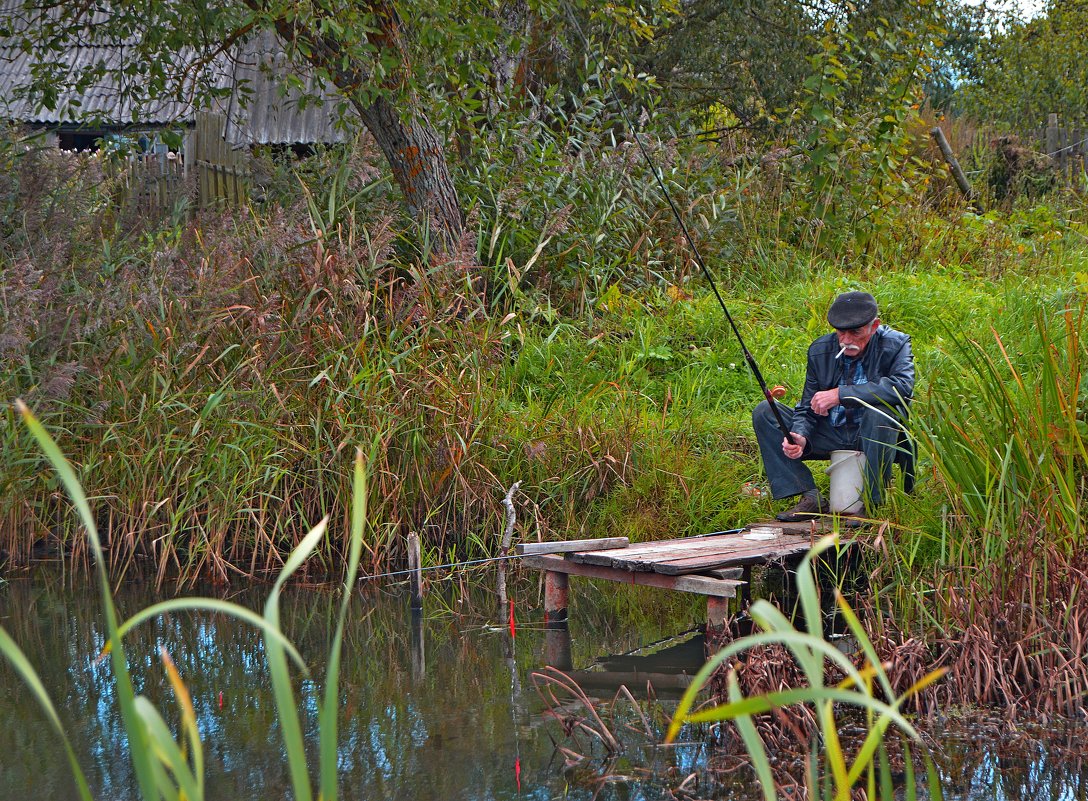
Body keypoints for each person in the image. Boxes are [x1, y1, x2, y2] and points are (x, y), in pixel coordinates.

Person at [752, 291, 914, 521]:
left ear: (874, 326)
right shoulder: (820, 350)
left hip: (876, 436)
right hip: (832, 432)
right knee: (765, 412)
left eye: (855, 332)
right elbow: (807, 407)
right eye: (841, 332)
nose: (846, 340)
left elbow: (902, 387)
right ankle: (810, 496)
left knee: (880, 412)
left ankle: (873, 503)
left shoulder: (895, 344)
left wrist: (841, 394)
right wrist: (800, 435)